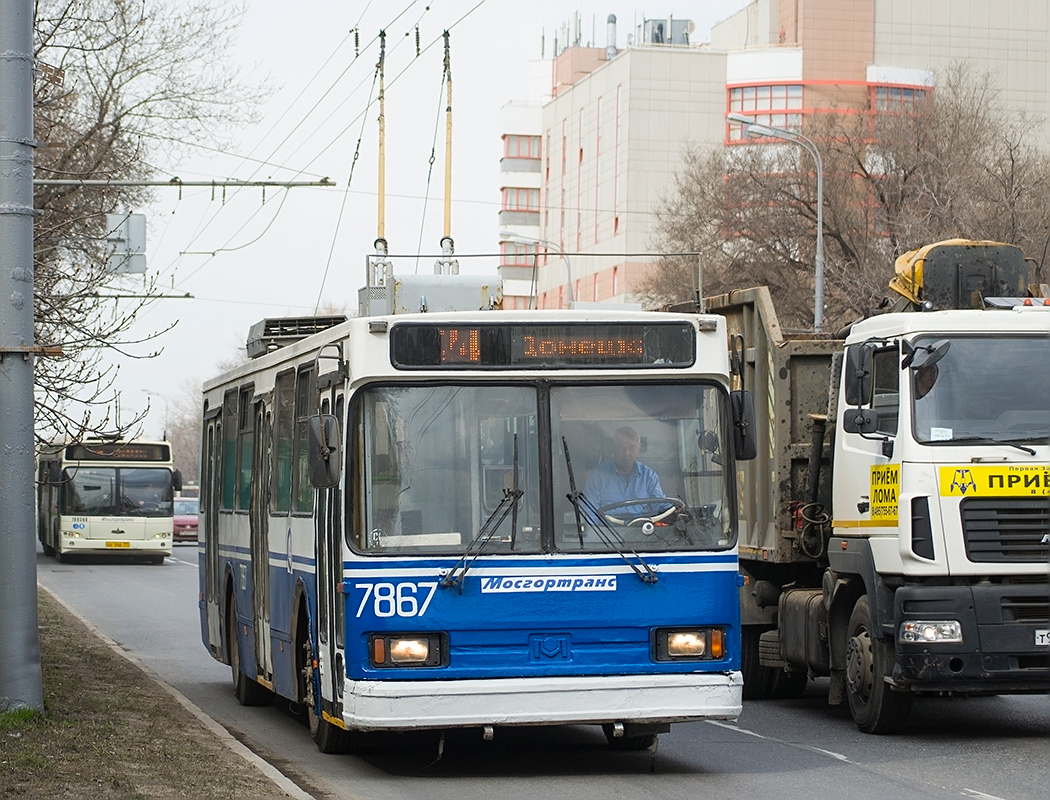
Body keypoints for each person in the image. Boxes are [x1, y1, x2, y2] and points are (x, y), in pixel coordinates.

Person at [583, 426, 665, 519]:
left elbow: (661, 507)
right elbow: (589, 514)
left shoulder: (649, 476)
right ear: (613, 447)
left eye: (632, 447)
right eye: (620, 447)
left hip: (642, 527)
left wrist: (673, 512)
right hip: (607, 528)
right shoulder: (596, 477)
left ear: (639, 448)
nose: (626, 453)